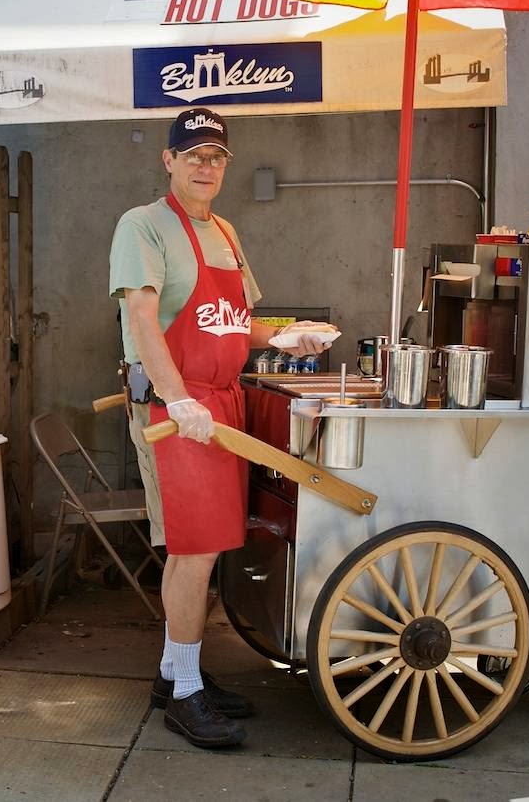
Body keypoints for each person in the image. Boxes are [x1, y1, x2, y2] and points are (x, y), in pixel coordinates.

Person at [108, 108, 337, 748]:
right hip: (176, 411)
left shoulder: (227, 233)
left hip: (222, 404)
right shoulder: (143, 226)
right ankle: (185, 694)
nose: (205, 166)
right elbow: (145, 320)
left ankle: (173, 675)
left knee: (209, 544)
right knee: (193, 549)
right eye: (193, 155)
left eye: (216, 157)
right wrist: (178, 400)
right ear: (169, 160)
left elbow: (236, 323)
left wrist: (286, 335)